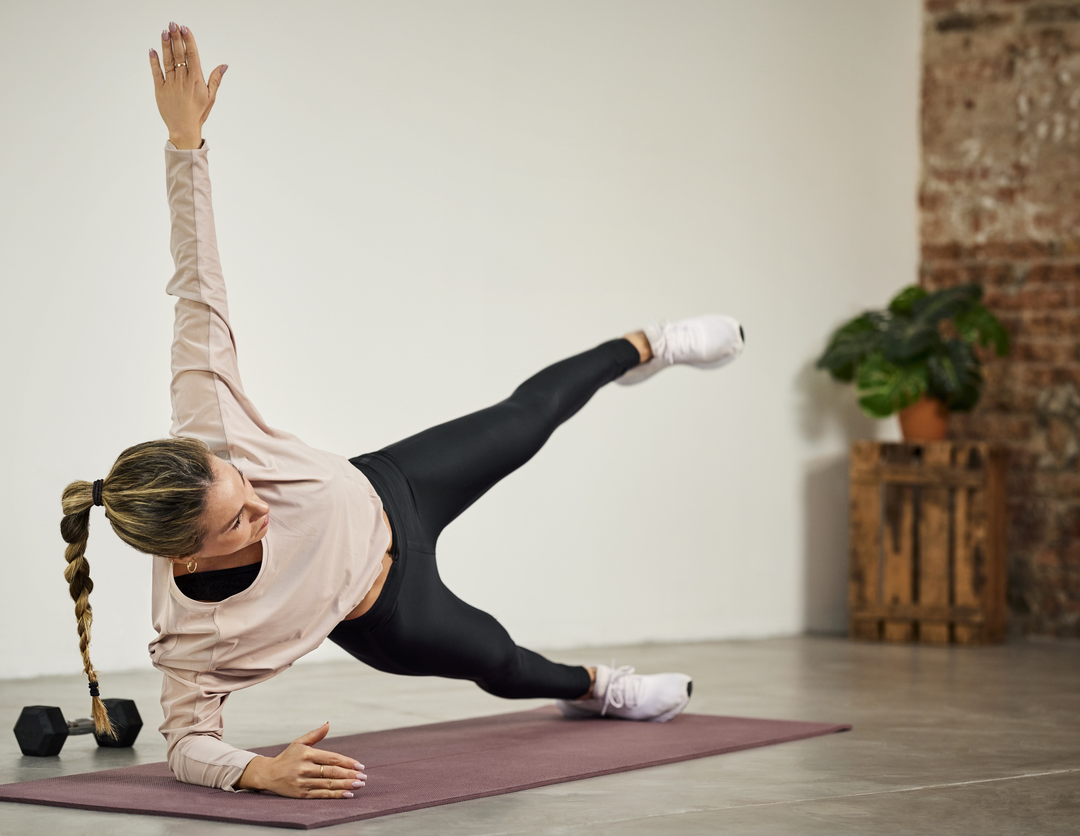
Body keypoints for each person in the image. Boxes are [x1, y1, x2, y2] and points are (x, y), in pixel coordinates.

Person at [58, 21, 746, 801]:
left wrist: (185, 143)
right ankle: (597, 688)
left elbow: (196, 283)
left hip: (393, 485)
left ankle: (650, 345)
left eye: (242, 484)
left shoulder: (209, 420)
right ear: (186, 557)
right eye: (240, 521)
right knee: (501, 662)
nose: (261, 506)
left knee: (526, 419)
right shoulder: (195, 639)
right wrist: (258, 770)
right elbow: (187, 743)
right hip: (386, 610)